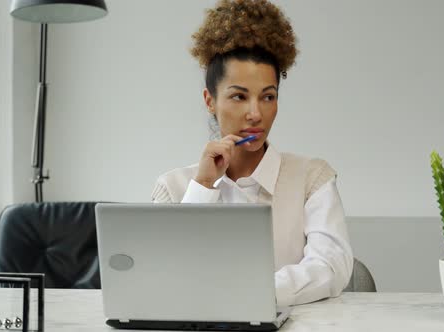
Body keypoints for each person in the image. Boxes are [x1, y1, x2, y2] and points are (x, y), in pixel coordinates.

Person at [151, 0, 353, 307]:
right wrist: (202, 187)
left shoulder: (312, 177)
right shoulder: (173, 187)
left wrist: (248, 293)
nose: (256, 114)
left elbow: (331, 267)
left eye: (268, 96)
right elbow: (162, 277)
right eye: (239, 96)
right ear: (210, 100)